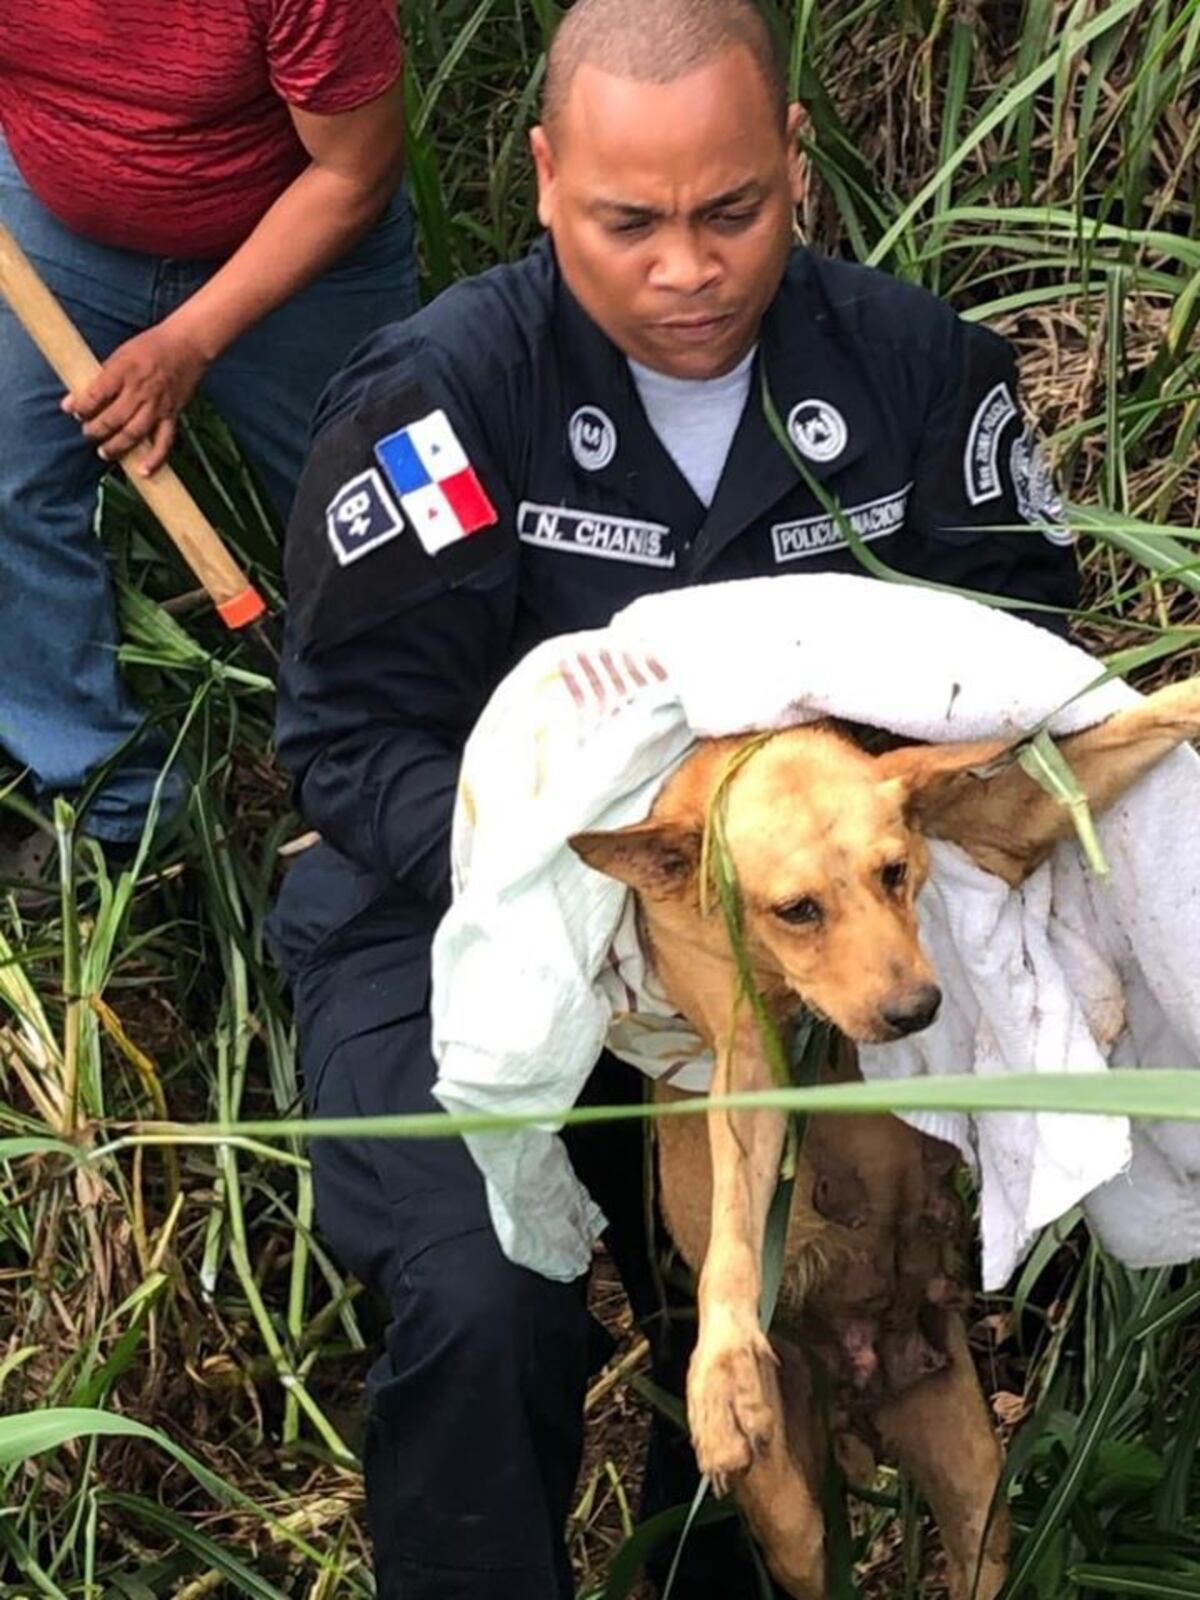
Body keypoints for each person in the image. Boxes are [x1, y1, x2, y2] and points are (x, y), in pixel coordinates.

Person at [270, 2, 1078, 1595]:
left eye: (733, 212)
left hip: (810, 916)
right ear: (545, 176)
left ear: (794, 163)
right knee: (483, 1289)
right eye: (628, 221)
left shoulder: (917, 377)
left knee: (779, 1303)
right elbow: (350, 737)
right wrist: (587, 908)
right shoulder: (442, 406)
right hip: (455, 910)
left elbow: (1020, 668)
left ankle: (713, 1565)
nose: (687, 269)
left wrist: (813, 833)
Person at [0, 1, 418, 874]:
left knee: (388, 521)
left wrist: (187, 342)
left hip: (307, 248)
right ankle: (115, 815)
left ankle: (396, 792)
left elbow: (356, 168)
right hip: (52, 222)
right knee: (5, 485)